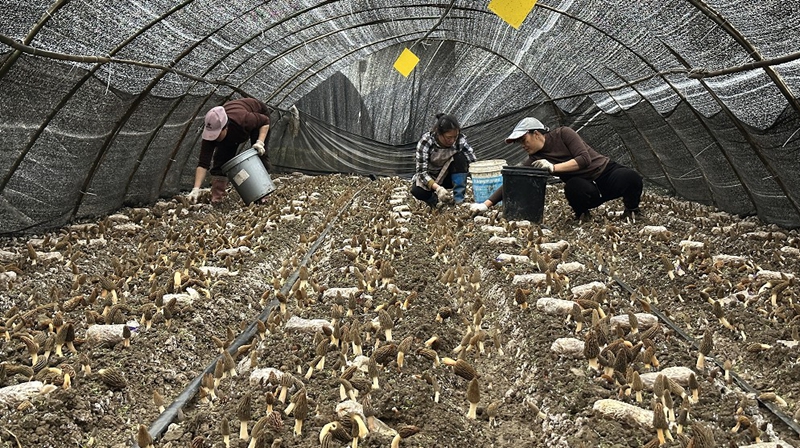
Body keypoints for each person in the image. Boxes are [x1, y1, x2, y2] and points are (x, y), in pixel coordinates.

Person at [470, 117, 643, 221]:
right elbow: (514, 180)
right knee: (573, 187)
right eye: (519, 143)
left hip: (605, 173)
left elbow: (584, 159)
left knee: (631, 177)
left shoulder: (563, 134)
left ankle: (631, 209)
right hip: (587, 187)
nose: (523, 145)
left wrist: (553, 167)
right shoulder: (535, 160)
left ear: (536, 133)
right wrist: (486, 204)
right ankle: (583, 214)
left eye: (524, 140)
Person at [187, 98, 272, 203]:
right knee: (221, 159)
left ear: (225, 127)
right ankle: (217, 197)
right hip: (233, 132)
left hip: (259, 117)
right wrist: (196, 188)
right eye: (212, 135)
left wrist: (260, 142)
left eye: (217, 134)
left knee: (259, 155)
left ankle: (263, 193)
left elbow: (265, 121)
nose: (214, 138)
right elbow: (203, 163)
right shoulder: (209, 135)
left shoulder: (244, 120)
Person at [411, 114, 477, 207]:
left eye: (455, 137)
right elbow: (422, 172)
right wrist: (438, 189)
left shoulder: (459, 140)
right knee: (417, 191)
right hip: (431, 177)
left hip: (449, 176)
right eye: (448, 137)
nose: (452, 140)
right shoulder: (427, 142)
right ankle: (435, 201)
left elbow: (472, 160)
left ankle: (459, 199)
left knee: (460, 157)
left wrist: (480, 177)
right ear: (439, 133)